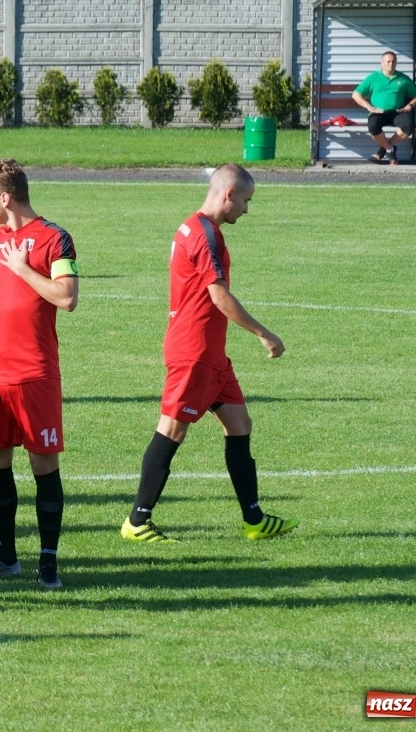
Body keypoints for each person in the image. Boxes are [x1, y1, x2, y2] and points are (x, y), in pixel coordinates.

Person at [121, 163, 298, 544]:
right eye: (246, 201)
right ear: (228, 194)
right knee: (171, 429)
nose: (246, 211)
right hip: (194, 349)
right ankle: (136, 521)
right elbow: (218, 295)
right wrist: (263, 333)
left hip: (211, 352)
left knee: (239, 425)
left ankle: (254, 519)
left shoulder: (196, 227)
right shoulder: (205, 235)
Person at [0, 159, 78, 590]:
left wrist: (23, 269)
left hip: (34, 375)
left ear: (4, 198)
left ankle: (48, 562)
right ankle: (5, 556)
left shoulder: (54, 238)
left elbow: (67, 298)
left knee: (42, 464)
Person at [352, 51, 416, 164]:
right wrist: (370, 107)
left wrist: (410, 106)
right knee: (373, 127)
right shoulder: (372, 78)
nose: (391, 64)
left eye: (393, 61)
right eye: (388, 61)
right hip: (379, 112)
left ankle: (385, 147)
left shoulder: (403, 78)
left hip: (397, 112)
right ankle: (390, 149)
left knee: (408, 126)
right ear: (382, 63)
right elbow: (356, 95)